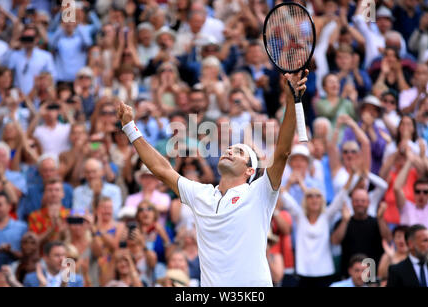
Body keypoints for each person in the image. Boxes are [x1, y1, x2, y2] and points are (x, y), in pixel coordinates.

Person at [116, 68, 308, 286]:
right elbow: (161, 169)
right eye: (230, 148)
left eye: (239, 152)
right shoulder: (201, 193)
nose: (229, 151)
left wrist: (291, 101)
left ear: (249, 171)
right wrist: (130, 128)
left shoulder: (260, 191)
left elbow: (282, 152)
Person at [394, 153, 428, 262]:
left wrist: (425, 159)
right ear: (413, 192)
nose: (421, 194)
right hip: (411, 262)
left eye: (425, 192)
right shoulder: (406, 208)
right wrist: (409, 161)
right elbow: (397, 187)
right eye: (418, 191)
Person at [331, 188, 392, 278]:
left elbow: (388, 239)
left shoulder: (377, 221)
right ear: (351, 203)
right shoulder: (343, 221)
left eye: (363, 201)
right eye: (356, 201)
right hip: (349, 275)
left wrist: (380, 218)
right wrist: (344, 221)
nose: (360, 204)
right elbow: (335, 241)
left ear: (368, 203)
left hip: (372, 275)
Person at [27, 178, 70, 247]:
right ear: (45, 194)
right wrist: (51, 229)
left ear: (63, 194)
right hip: (44, 256)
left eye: (57, 190)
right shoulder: (34, 216)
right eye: (50, 190)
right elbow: (32, 244)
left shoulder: (70, 214)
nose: (53, 193)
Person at [0, 192, 27, 267]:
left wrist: (10, 251)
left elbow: (26, 255)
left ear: (9, 206)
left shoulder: (22, 227)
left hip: (15, 270)